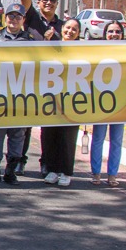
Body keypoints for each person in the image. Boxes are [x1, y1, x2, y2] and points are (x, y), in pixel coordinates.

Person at [0, 3, 41, 186]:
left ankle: (10, 172)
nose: (14, 19)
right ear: (4, 18)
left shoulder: (32, 41)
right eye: (11, 16)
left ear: (23, 19)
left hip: (21, 96)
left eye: (18, 16)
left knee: (18, 135)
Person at [20, 0, 62, 175]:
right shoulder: (33, 19)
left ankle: (46, 163)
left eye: (52, 1)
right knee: (25, 122)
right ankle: (20, 160)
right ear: (38, 3)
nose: (48, 3)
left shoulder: (64, 26)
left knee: (48, 124)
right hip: (29, 77)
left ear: (56, 5)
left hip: (53, 81)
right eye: (44, 0)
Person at [42, 19, 83, 187]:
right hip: (51, 99)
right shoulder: (53, 46)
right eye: (68, 28)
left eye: (74, 29)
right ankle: (52, 170)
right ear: (62, 29)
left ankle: (66, 172)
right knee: (50, 136)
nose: (70, 31)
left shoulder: (85, 50)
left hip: (72, 100)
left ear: (79, 32)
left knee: (68, 137)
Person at [90, 20, 126, 187]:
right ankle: (96, 173)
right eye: (111, 31)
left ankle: (113, 174)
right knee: (98, 138)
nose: (114, 35)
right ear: (105, 34)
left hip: (121, 102)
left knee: (116, 140)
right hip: (101, 102)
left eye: (117, 32)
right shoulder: (97, 50)